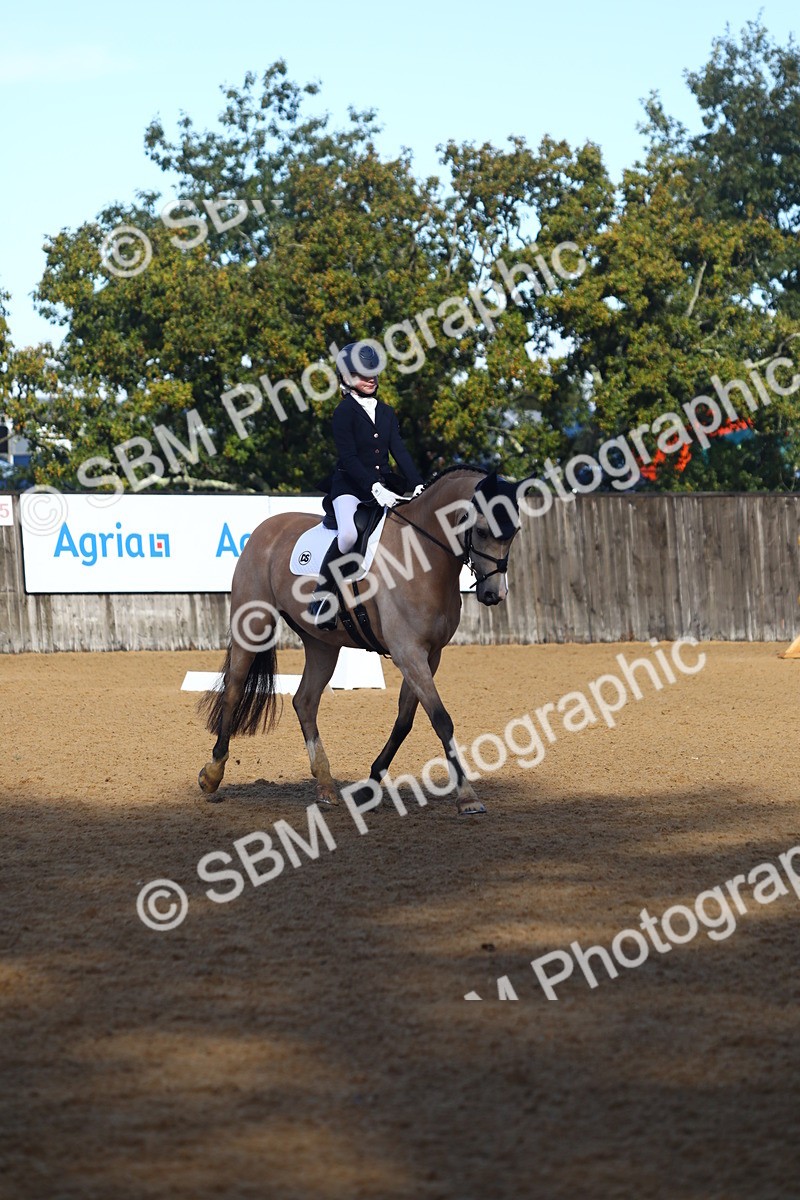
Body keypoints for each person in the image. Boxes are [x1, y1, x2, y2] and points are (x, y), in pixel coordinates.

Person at [308, 341, 424, 629]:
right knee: (348, 535)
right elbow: (348, 457)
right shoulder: (343, 412)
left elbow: (400, 450)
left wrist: (419, 484)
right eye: (362, 374)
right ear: (346, 377)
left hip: (384, 487)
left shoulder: (386, 412)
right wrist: (373, 486)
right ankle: (322, 598)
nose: (370, 379)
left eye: (373, 373)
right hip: (349, 487)